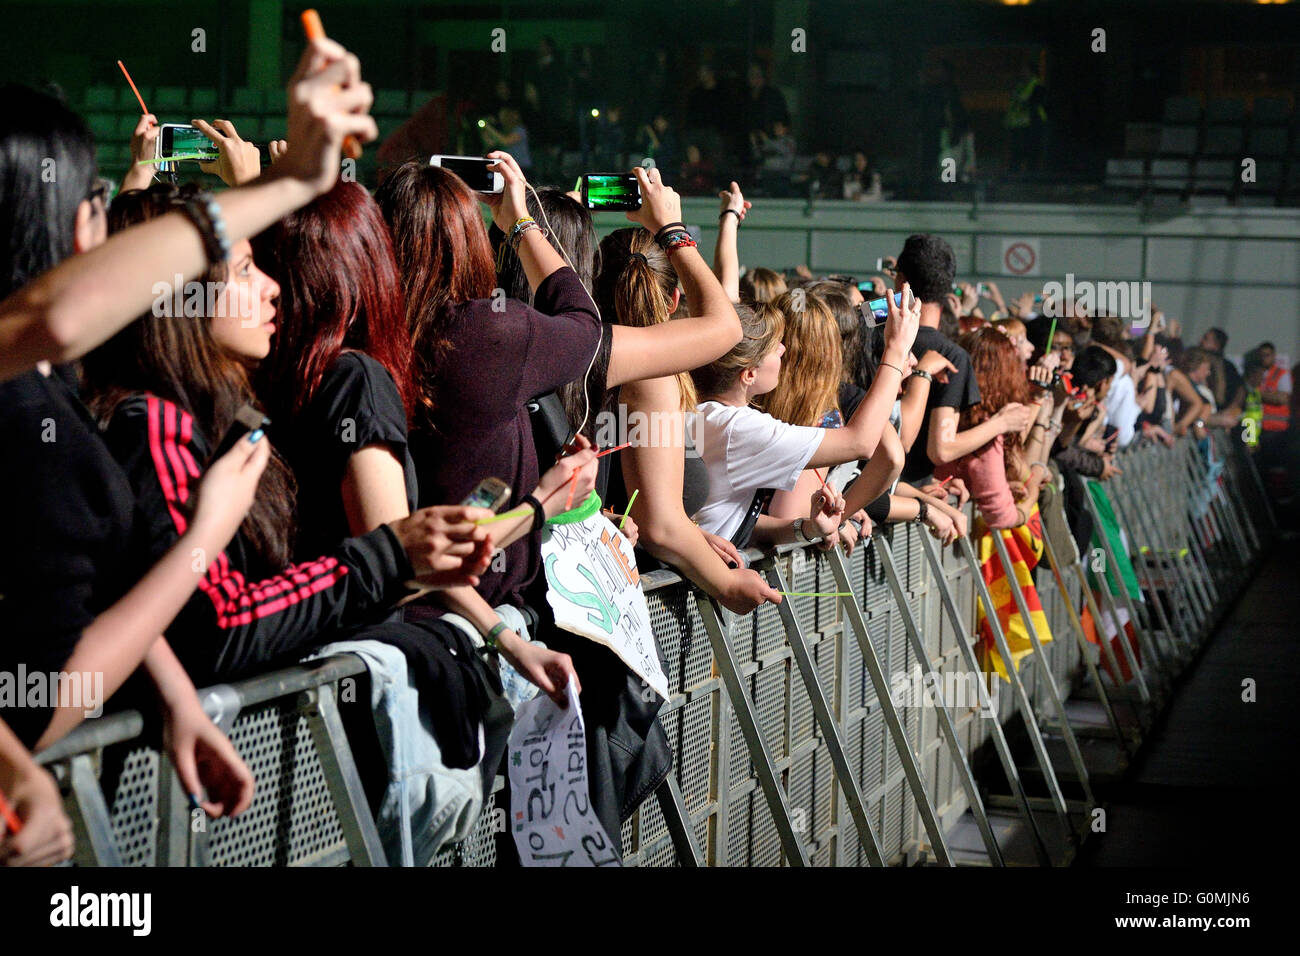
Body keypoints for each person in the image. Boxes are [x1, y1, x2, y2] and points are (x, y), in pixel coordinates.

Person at [688, 287, 919, 545]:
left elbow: (734, 522)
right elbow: (866, 444)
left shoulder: (704, 412)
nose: (784, 350)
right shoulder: (743, 428)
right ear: (749, 373)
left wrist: (810, 528)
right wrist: (897, 348)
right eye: (774, 345)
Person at [886, 234, 1034, 487]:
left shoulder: (876, 337)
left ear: (900, 279)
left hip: (861, 489)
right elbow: (941, 449)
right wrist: (1001, 423)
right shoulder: (951, 356)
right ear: (947, 289)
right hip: (908, 495)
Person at [935, 328, 1064, 529]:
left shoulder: (943, 403)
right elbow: (1002, 517)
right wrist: (1031, 499)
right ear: (1005, 374)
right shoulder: (986, 427)